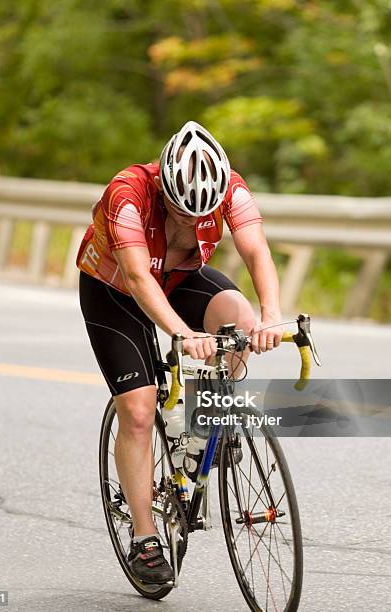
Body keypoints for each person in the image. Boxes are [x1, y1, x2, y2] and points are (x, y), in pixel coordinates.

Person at [77, 120, 283, 584]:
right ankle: (145, 540)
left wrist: (271, 314)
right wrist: (183, 333)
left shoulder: (232, 189)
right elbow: (137, 279)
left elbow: (256, 251)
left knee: (241, 320)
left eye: (201, 214)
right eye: (179, 211)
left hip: (180, 277)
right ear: (163, 186)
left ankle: (204, 419)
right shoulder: (127, 193)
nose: (191, 221)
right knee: (138, 410)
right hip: (114, 289)